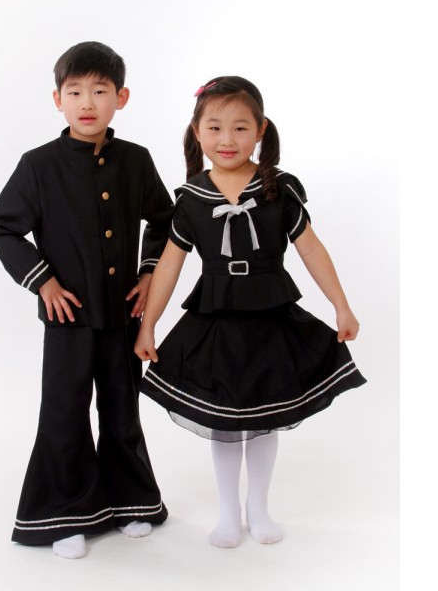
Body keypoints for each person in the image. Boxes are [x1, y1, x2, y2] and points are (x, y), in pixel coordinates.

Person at [134, 76, 367, 549]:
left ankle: (258, 509)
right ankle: (227, 513)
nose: (227, 139)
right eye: (215, 127)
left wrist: (341, 306)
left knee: (263, 418)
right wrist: (149, 325)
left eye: (240, 128)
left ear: (260, 130)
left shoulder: (279, 189)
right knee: (224, 421)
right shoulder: (191, 199)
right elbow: (169, 267)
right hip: (216, 317)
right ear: (197, 132)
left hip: (269, 314)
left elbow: (311, 250)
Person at [0, 41, 172, 559]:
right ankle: (64, 513)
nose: (87, 102)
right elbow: (0, 227)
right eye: (75, 92)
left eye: (100, 91)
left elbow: (165, 220)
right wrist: (42, 281)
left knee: (121, 409)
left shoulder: (136, 160)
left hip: (123, 314)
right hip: (67, 317)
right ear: (57, 100)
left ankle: (130, 501)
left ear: (121, 98)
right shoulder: (38, 165)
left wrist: (149, 271)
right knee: (64, 413)